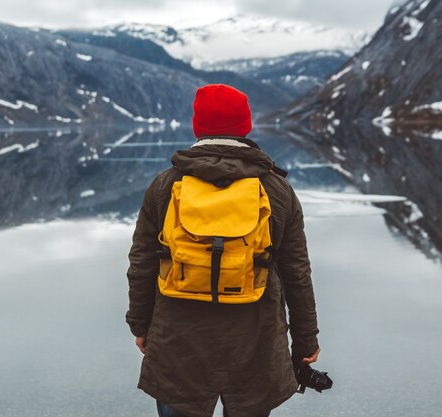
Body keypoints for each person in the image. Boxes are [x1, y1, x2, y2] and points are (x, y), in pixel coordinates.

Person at [126, 84, 320, 417]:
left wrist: (141, 326)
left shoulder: (166, 185)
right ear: (246, 126)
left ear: (197, 127)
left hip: (178, 340)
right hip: (255, 343)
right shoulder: (276, 189)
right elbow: (296, 273)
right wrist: (305, 342)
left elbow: (142, 264)